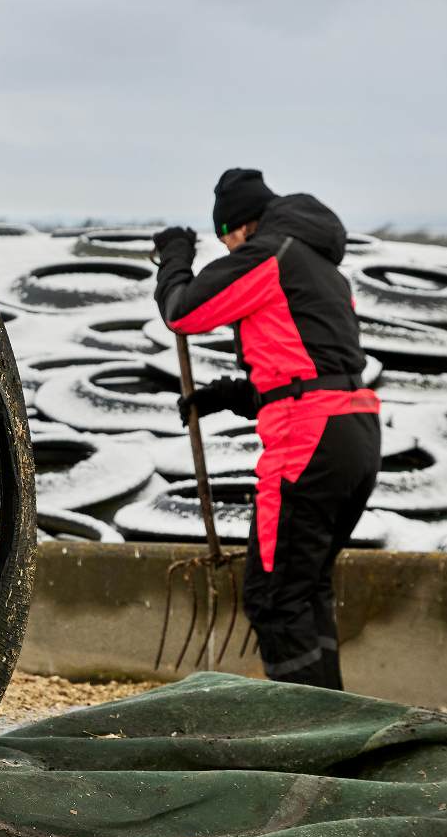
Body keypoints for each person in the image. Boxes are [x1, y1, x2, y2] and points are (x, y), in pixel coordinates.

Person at [153, 168, 381, 690]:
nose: (228, 249)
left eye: (226, 238)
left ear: (240, 227)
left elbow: (184, 312)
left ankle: (304, 739)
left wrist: (175, 258)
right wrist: (232, 395)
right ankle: (334, 726)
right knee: (305, 589)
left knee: (274, 597)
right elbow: (311, 365)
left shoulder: (269, 255)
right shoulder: (320, 267)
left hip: (309, 440)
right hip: (355, 433)